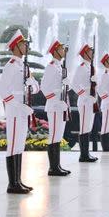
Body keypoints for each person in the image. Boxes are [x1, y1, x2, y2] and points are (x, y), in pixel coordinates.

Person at [0, 30, 39, 194]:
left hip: (24, 110)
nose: (26, 46)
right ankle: (12, 183)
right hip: (15, 111)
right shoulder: (11, 66)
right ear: (15, 47)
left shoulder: (24, 66)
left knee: (19, 145)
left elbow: (36, 88)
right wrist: (16, 106)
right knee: (13, 145)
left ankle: (18, 181)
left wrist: (30, 84)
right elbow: (2, 89)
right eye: (23, 44)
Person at [40, 40, 72, 175]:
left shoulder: (59, 67)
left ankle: (57, 165)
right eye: (61, 48)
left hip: (61, 105)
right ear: (55, 51)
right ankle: (52, 168)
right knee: (53, 136)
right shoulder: (51, 67)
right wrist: (56, 100)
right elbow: (45, 88)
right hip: (54, 106)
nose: (64, 51)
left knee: (58, 136)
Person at [71, 43, 98, 163]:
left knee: (88, 127)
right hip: (84, 100)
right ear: (85, 53)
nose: (92, 53)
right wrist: (85, 95)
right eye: (90, 51)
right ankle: (83, 155)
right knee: (83, 127)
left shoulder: (90, 67)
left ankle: (87, 153)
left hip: (91, 100)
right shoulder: (81, 67)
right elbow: (74, 84)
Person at [96, 53, 109, 151]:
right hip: (107, 103)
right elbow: (99, 89)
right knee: (105, 126)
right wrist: (108, 100)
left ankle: (107, 147)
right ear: (106, 62)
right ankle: (105, 148)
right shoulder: (105, 75)